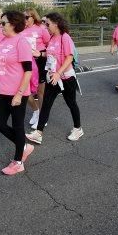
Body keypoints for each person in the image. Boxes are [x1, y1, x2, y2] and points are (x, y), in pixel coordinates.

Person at [0, 11, 34, 176]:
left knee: (18, 126)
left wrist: (20, 94)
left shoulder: (22, 42)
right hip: (4, 91)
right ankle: (25, 146)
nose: (0, 26)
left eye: (3, 23)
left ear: (13, 24)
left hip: (18, 92)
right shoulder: (4, 41)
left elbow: (28, 71)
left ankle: (18, 162)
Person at [26, 13, 83, 144]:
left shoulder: (65, 37)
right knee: (46, 103)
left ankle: (78, 128)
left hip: (66, 78)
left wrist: (59, 73)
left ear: (56, 24)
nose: (46, 27)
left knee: (71, 103)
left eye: (48, 24)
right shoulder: (52, 38)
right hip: (53, 77)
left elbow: (69, 57)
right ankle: (38, 133)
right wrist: (39, 54)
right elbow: (50, 53)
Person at [21, 9, 51, 128]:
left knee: (40, 92)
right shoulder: (21, 30)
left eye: (27, 17)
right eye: (23, 17)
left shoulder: (41, 29)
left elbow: (51, 46)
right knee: (24, 89)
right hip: (27, 61)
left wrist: (41, 54)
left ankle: (42, 117)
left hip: (40, 61)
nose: (24, 20)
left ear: (33, 17)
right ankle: (36, 111)